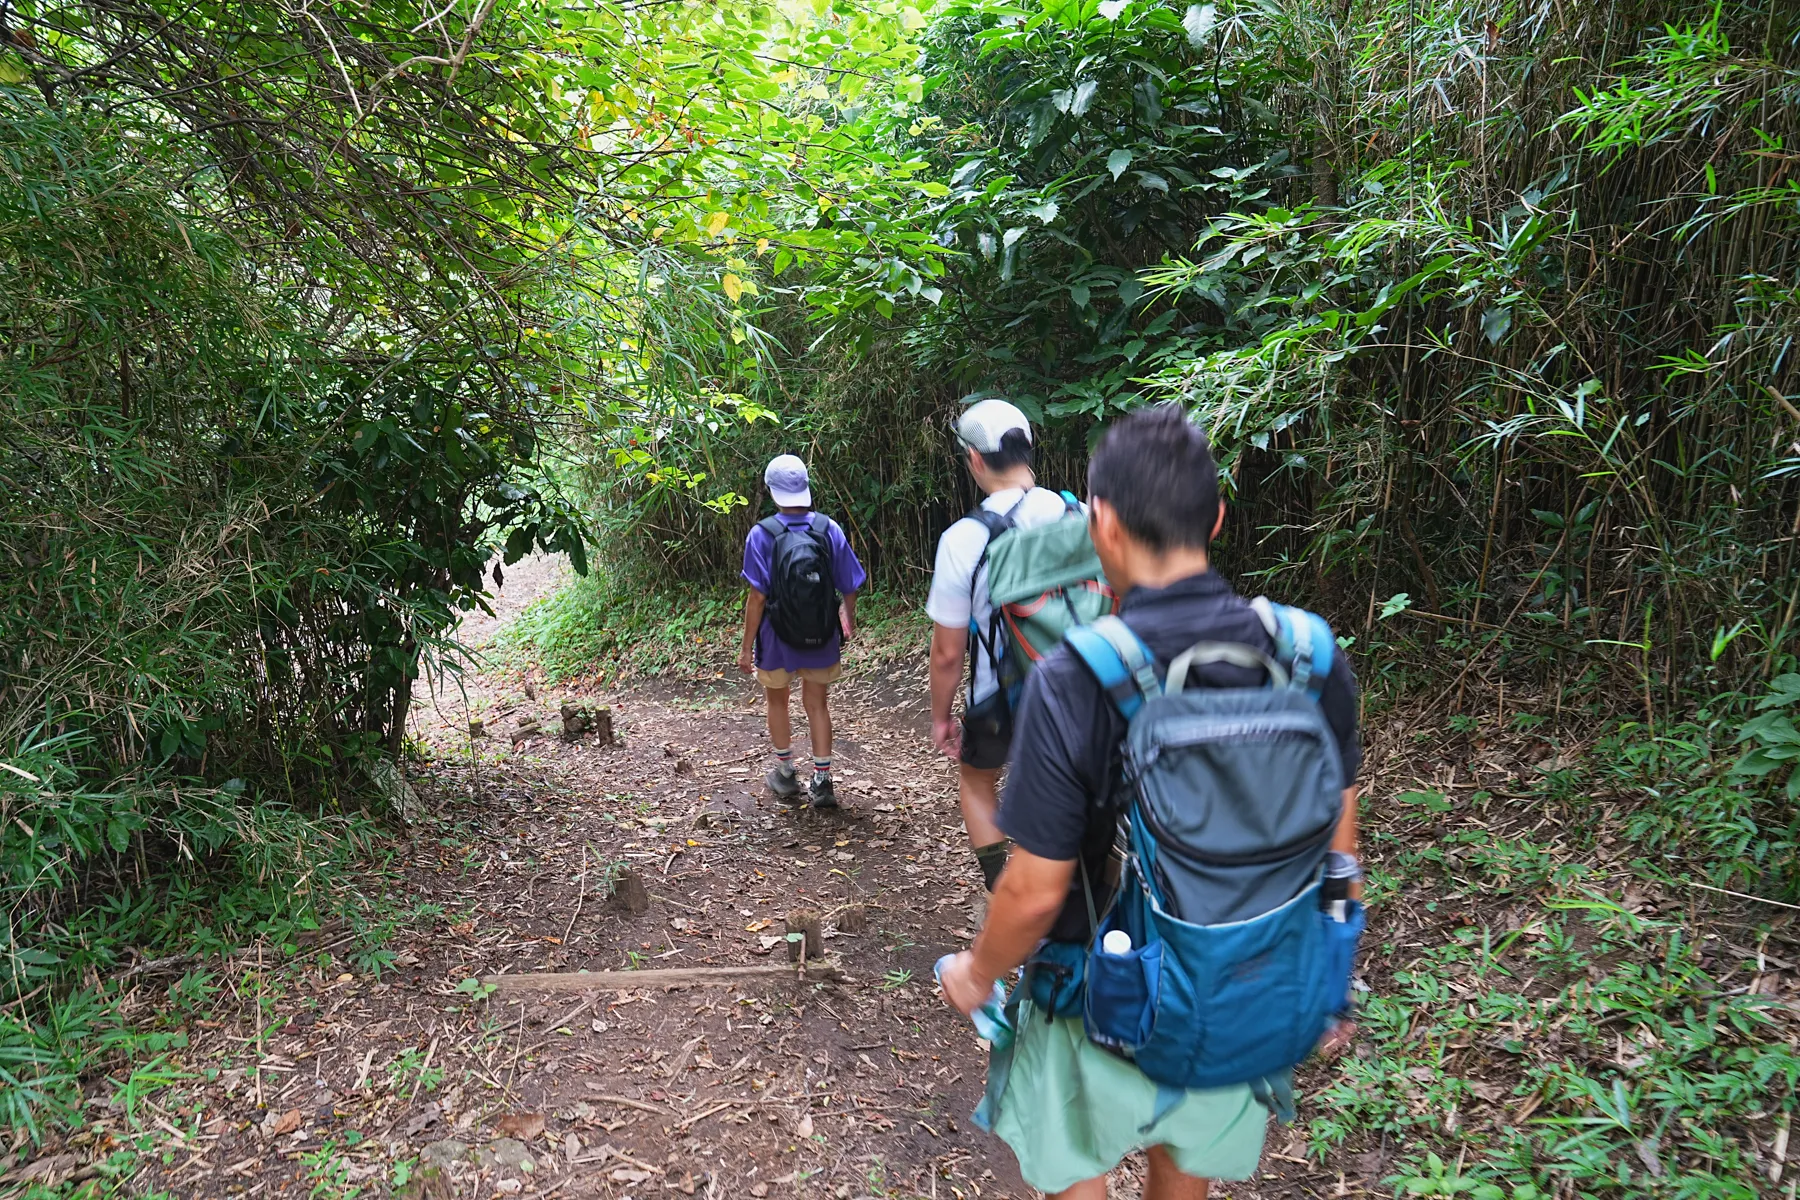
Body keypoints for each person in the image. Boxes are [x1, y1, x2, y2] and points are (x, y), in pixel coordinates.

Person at [937, 407, 1364, 1200]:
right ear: (1218, 517)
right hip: (1242, 985)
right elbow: (1340, 848)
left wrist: (975, 970)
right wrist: (1329, 983)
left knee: (1075, 1165)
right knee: (1184, 1165)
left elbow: (1033, 893)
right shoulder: (1307, 655)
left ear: (1100, 523)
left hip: (1096, 993)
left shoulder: (1077, 677)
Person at [926, 397, 1077, 891]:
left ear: (974, 458)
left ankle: (1004, 888)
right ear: (1029, 450)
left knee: (976, 779)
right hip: (1085, 682)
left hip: (1003, 695)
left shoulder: (963, 538)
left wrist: (942, 717)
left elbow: (948, 652)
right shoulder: (1075, 512)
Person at [736, 454, 866, 809]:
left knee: (777, 700)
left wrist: (747, 647)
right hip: (821, 632)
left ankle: (786, 773)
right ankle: (822, 782)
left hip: (777, 636)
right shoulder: (829, 529)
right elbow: (850, 584)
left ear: (773, 492)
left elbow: (757, 597)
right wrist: (846, 614)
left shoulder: (762, 534)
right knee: (817, 704)